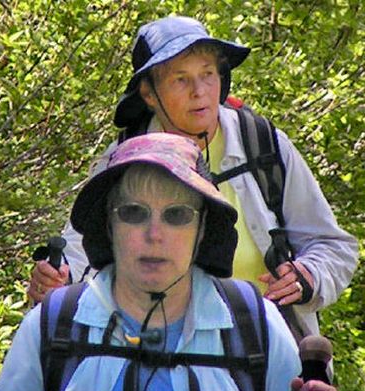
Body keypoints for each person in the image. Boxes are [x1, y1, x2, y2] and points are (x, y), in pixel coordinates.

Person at [0, 133, 353, 391]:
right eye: (133, 213)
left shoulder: (255, 325)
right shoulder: (55, 325)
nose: (155, 235)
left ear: (203, 230)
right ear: (109, 226)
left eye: (177, 215)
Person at [28, 15, 358, 339]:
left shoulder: (262, 145)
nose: (199, 91)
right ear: (149, 94)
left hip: (267, 354)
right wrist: (56, 281)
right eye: (181, 80)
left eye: (208, 75)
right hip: (156, 350)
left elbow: (332, 246)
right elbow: (80, 251)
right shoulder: (125, 158)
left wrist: (308, 276)